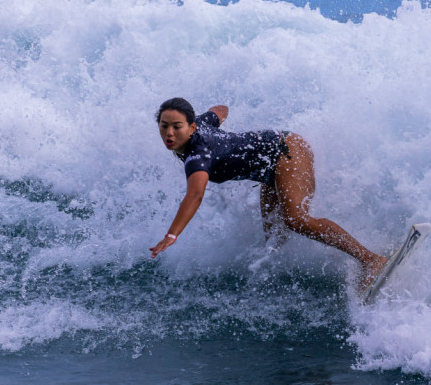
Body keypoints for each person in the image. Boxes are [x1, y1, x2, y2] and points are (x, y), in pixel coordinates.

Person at [149, 97, 388, 287]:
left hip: (286, 150)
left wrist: (171, 235)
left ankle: (370, 260)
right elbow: (220, 110)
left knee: (296, 220)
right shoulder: (200, 123)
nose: (169, 133)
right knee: (275, 239)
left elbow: (195, 195)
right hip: (270, 170)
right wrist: (220, 124)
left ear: (191, 127)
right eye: (164, 126)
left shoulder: (197, 155)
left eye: (176, 127)